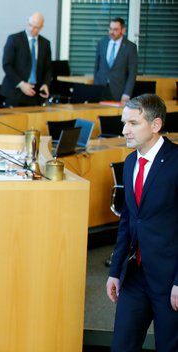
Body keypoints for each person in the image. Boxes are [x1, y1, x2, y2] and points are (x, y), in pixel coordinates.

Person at [106, 94, 178, 352]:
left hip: (169, 280)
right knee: (121, 346)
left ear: (156, 125)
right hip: (135, 275)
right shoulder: (129, 162)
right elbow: (128, 220)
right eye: (124, 123)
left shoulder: (176, 162)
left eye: (133, 123)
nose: (125, 130)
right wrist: (115, 271)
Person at [0, 12, 52, 107]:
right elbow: (7, 65)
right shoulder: (14, 39)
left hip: (35, 93)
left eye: (36, 27)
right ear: (27, 22)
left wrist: (46, 84)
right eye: (30, 25)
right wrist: (21, 84)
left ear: (41, 27)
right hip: (15, 92)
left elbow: (48, 68)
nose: (31, 29)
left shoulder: (45, 44)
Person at [94, 18, 138, 103]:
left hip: (118, 91)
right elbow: (97, 67)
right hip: (100, 90)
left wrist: (127, 93)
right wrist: (95, 87)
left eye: (115, 29)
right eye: (110, 29)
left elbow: (132, 73)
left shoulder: (130, 47)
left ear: (123, 30)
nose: (111, 32)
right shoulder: (102, 43)